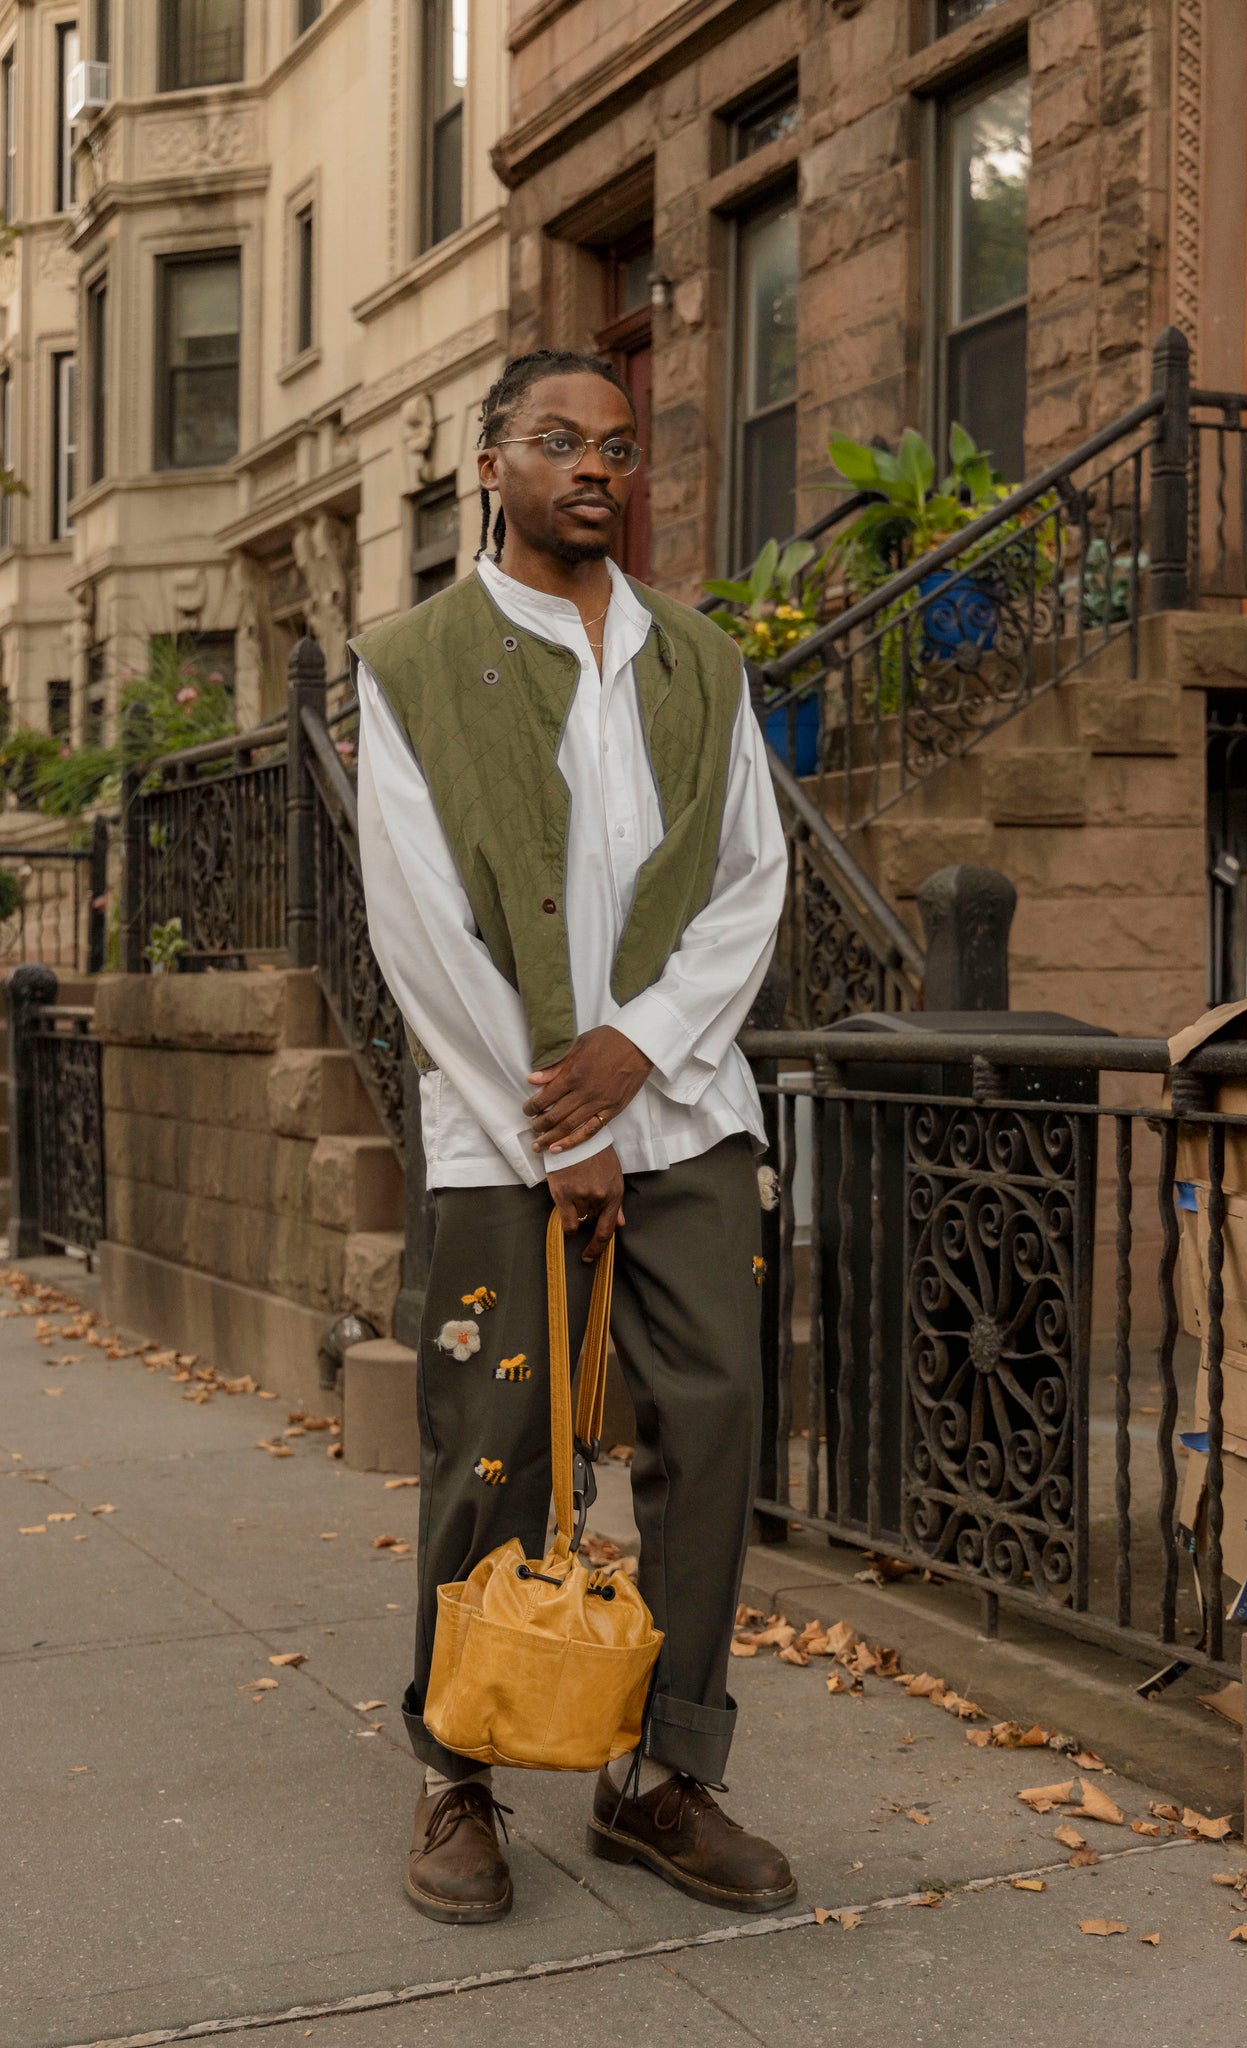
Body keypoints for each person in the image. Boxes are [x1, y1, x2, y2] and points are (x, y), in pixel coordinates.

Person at [352, 346, 794, 1925]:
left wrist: (640, 1049)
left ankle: (659, 1776)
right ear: (489, 464)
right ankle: (455, 1776)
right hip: (503, 1132)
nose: (592, 468)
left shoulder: (700, 662)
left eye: (616, 445)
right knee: (494, 1446)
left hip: (684, 1112)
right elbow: (418, 929)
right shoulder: (410, 662)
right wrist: (560, 1116)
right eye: (555, 441)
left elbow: (752, 881)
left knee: (711, 1425)